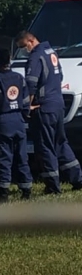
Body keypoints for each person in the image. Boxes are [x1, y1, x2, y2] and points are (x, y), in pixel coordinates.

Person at [16, 30, 82, 194]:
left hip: (43, 107)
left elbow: (31, 84)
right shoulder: (51, 52)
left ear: (30, 41)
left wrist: (28, 106)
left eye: (23, 47)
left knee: (45, 146)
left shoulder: (35, 57)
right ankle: (78, 178)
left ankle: (53, 186)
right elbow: (60, 77)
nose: (24, 51)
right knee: (60, 142)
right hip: (58, 104)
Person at [0, 48, 33, 202]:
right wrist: (23, 117)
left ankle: (4, 193)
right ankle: (26, 190)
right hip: (19, 122)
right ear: (9, 60)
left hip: (2, 123)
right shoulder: (19, 78)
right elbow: (25, 103)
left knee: (4, 158)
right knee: (22, 157)